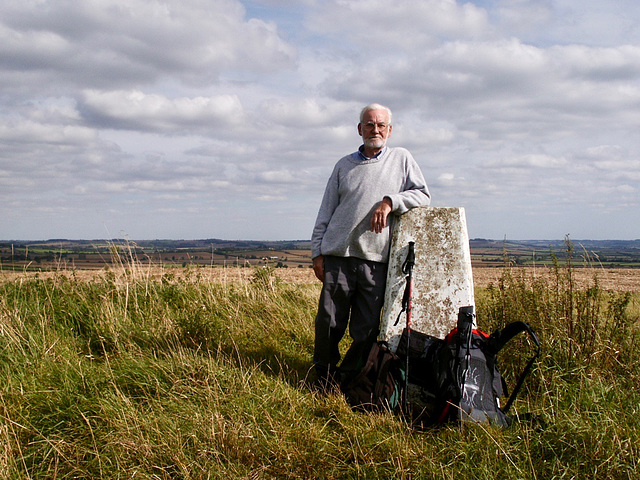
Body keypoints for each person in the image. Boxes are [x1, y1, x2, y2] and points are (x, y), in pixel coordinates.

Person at [311, 103, 431, 390]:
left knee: (365, 329)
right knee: (328, 324)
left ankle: (351, 377)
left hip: (376, 261)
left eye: (380, 125)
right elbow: (326, 210)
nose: (374, 129)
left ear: (389, 130)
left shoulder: (402, 159)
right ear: (359, 129)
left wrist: (390, 201)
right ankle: (323, 379)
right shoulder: (343, 165)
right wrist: (317, 251)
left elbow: (422, 194)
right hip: (338, 257)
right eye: (368, 124)